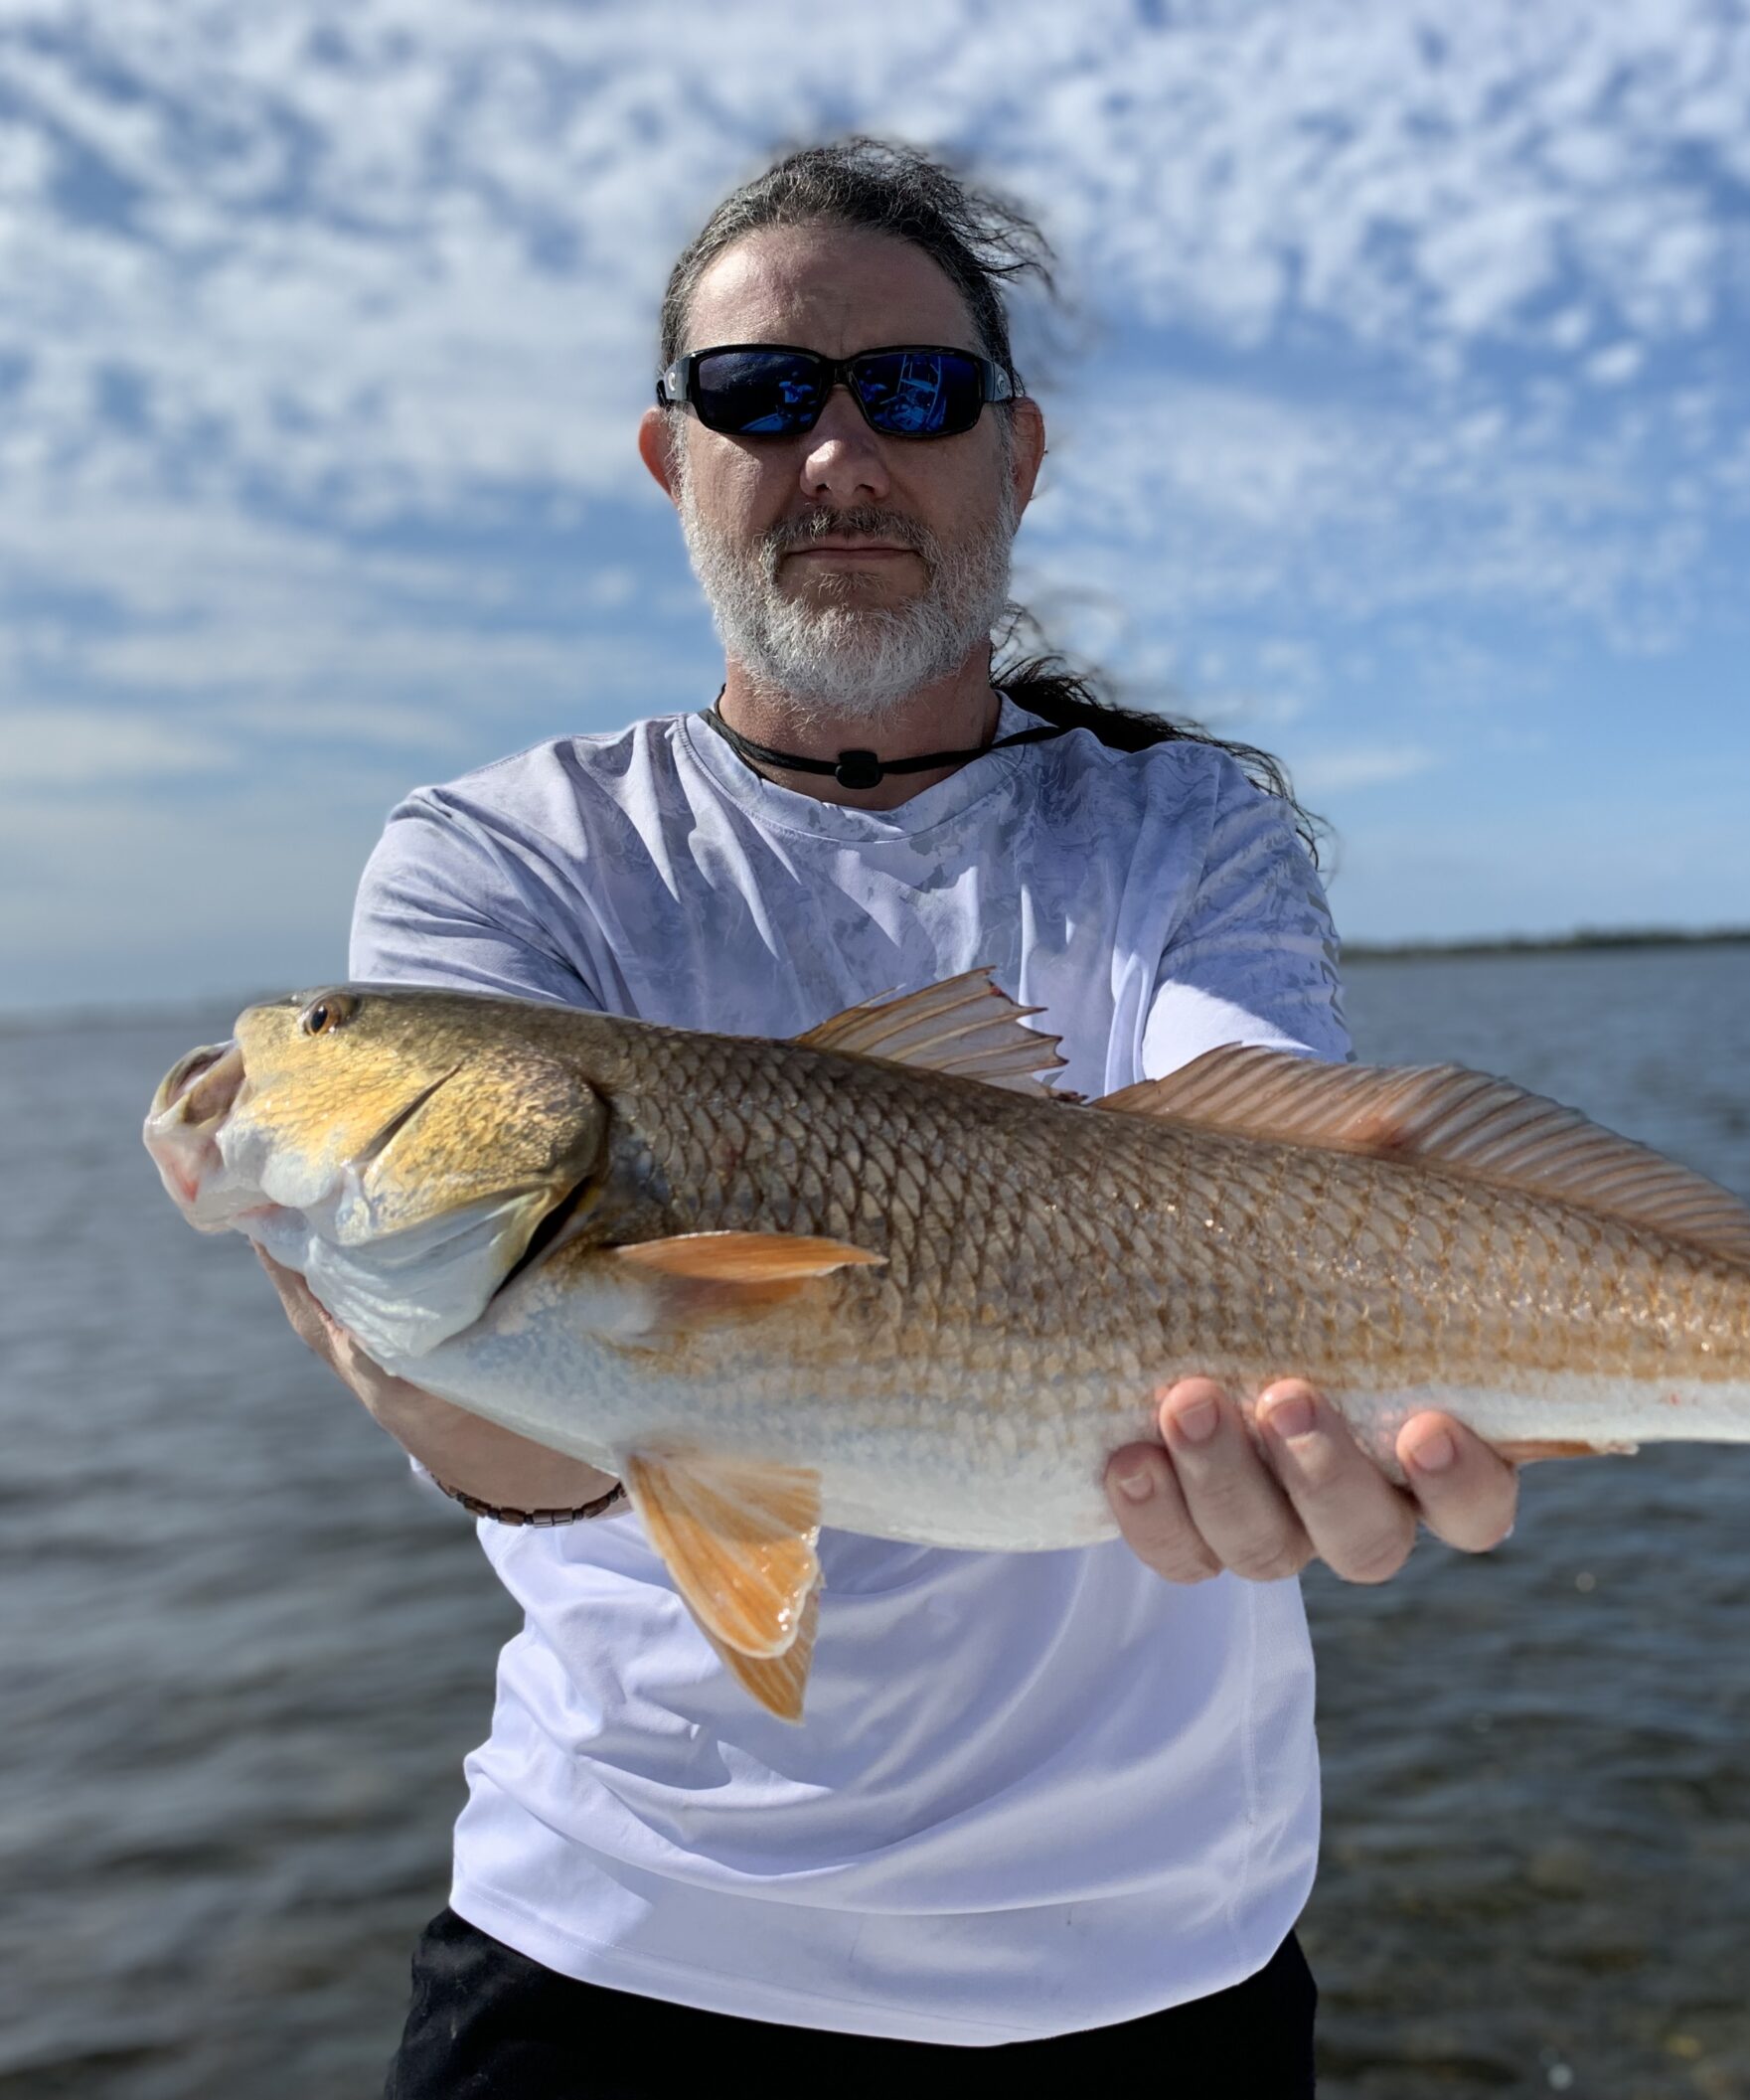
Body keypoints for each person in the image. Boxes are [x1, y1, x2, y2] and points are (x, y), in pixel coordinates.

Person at [258, 138, 1521, 2096]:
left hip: (1148, 1963)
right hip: (623, 1940)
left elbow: (1254, 1159)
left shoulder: (1181, 826)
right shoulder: (494, 861)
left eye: (912, 392)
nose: (838, 455)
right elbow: (555, 1460)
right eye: (760, 397)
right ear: (671, 456)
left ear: (1013, 457)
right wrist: (400, 1338)